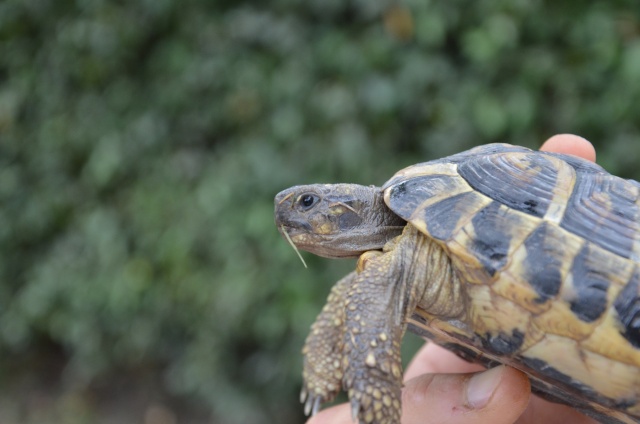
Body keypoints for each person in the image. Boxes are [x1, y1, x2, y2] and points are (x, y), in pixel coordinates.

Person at [306, 134, 598, 424]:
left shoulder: (389, 274)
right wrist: (323, 367)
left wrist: (375, 403)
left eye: (308, 203)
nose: (285, 210)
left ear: (348, 207)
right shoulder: (387, 271)